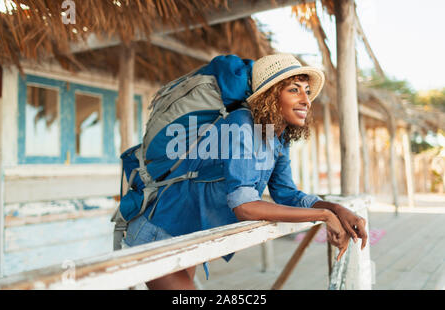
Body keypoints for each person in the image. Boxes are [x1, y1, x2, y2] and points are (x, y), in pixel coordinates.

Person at [123, 53, 368, 290]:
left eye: (306, 90)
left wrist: (337, 209)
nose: (306, 99)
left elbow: (286, 193)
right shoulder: (241, 124)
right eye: (294, 89)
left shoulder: (277, 137)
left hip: (185, 234)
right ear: (271, 95)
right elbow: (245, 205)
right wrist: (325, 216)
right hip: (159, 232)